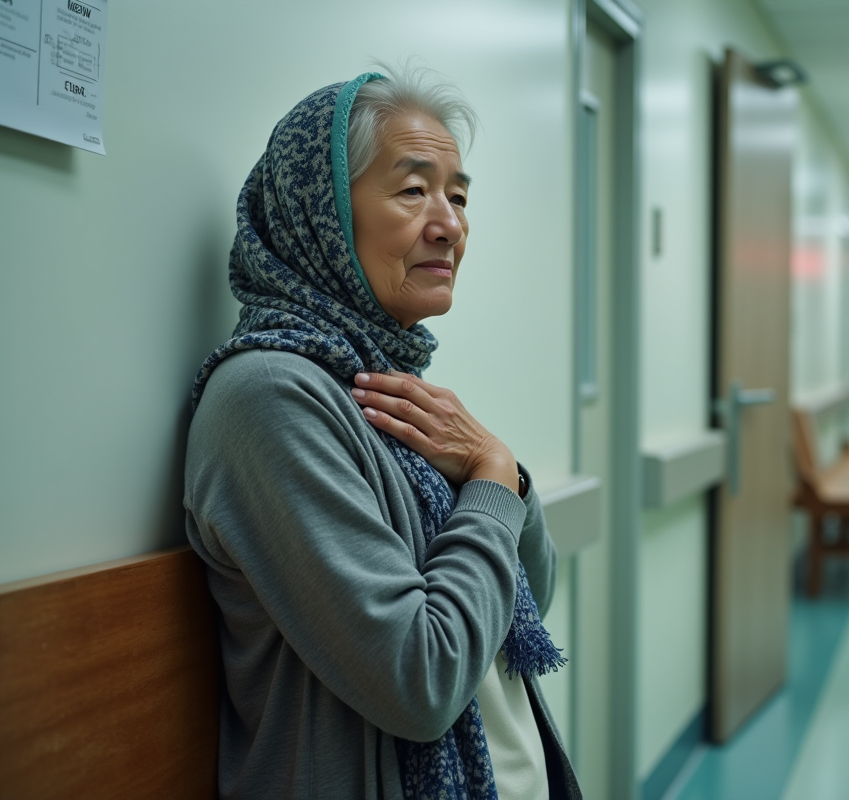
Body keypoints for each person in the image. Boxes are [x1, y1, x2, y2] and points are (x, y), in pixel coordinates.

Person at [184, 64, 579, 800]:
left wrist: (505, 476)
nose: (450, 223)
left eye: (458, 196)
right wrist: (491, 477)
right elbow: (420, 680)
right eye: (413, 189)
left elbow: (530, 595)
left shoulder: (387, 381)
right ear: (324, 213)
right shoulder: (271, 397)